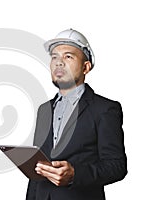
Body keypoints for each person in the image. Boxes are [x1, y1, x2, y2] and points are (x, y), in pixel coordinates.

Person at [26, 29, 127, 200]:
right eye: (54, 57)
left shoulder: (104, 109)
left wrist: (75, 174)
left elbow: (117, 166)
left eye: (68, 57)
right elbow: (38, 170)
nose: (59, 62)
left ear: (85, 67)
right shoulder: (44, 110)